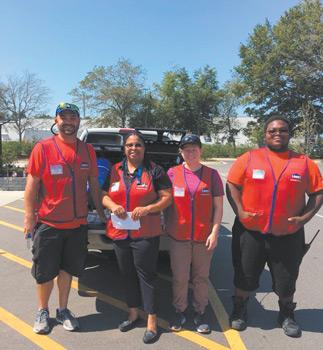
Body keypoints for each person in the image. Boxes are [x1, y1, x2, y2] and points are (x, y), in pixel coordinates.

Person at [226, 115, 323, 338]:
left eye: (282, 130)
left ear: (289, 134)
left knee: (287, 279)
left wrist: (306, 217)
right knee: (244, 275)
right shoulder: (248, 158)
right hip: (250, 234)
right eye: (272, 131)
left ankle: (286, 314)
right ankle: (240, 309)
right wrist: (239, 210)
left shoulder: (304, 162)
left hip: (288, 235)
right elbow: (232, 184)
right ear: (265, 134)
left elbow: (317, 193)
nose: (277, 134)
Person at [24, 102, 106, 334]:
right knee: (44, 272)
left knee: (67, 270)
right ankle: (42, 311)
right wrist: (29, 217)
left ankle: (63, 310)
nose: (68, 122)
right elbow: (32, 184)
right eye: (64, 118)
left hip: (77, 225)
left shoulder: (87, 150)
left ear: (78, 121)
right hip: (49, 224)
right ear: (56, 120)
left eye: (73, 118)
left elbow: (95, 187)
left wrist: (101, 214)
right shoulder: (43, 148)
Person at [102, 131, 172, 344]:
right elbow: (103, 195)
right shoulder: (115, 170)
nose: (134, 148)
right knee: (127, 274)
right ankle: (133, 313)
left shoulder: (155, 170)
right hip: (120, 233)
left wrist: (150, 208)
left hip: (146, 234)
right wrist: (113, 205)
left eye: (138, 145)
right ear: (124, 149)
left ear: (144, 148)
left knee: (147, 276)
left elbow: (167, 197)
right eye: (129, 145)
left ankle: (152, 319)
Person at [165, 134, 224, 333]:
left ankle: (200, 312)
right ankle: (179, 310)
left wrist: (215, 232)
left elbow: (218, 207)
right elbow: (165, 202)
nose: (190, 153)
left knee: (201, 277)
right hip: (178, 237)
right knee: (180, 277)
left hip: (203, 237)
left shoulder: (212, 174)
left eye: (194, 149)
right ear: (180, 152)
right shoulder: (172, 173)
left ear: (201, 150)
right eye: (186, 149)